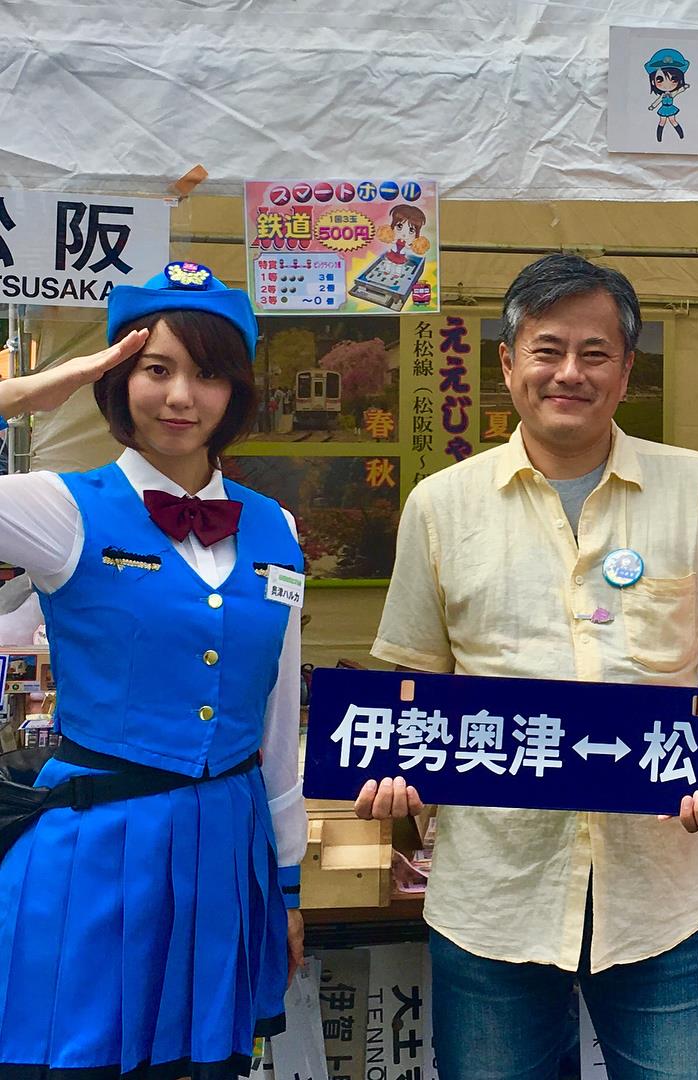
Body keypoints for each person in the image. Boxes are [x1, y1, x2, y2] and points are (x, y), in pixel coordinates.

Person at [356, 253, 698, 1080]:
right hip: (494, 894)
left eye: (595, 353)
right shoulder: (442, 505)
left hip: (659, 895)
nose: (569, 373)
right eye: (547, 350)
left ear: (627, 369)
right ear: (507, 362)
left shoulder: (695, 486)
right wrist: (400, 767)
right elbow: (416, 674)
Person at [0, 261, 308, 1078]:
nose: (181, 397)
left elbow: (277, 725)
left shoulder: (276, 527)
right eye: (155, 369)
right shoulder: (61, 507)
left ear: (235, 391)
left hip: (228, 849)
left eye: (207, 374)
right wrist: (32, 391)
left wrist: (287, 886)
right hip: (96, 850)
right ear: (116, 378)